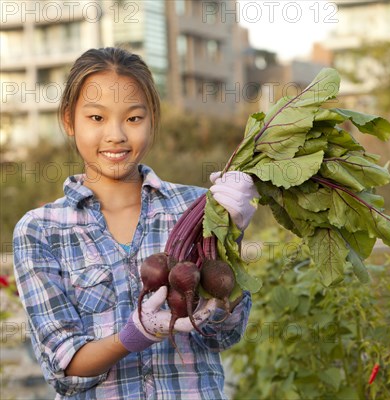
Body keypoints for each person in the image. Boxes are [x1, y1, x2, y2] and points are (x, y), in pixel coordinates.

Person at [12, 47, 258, 399]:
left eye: (133, 118)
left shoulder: (198, 208)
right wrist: (135, 334)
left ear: (152, 119)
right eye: (96, 118)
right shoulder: (40, 230)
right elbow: (63, 366)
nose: (116, 135)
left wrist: (231, 238)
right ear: (69, 120)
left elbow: (224, 336)